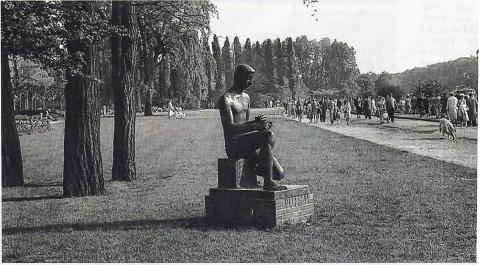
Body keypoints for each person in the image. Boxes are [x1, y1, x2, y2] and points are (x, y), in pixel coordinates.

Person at [218, 64, 286, 191]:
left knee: (279, 173)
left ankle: (253, 173)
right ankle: (268, 182)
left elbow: (245, 123)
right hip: (234, 145)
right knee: (268, 135)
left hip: (247, 143)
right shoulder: (226, 99)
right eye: (248, 78)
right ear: (238, 77)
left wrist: (259, 124)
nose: (250, 82)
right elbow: (229, 128)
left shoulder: (246, 97)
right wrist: (255, 126)